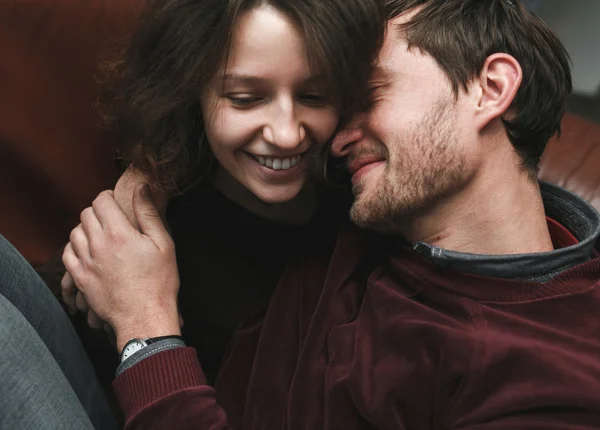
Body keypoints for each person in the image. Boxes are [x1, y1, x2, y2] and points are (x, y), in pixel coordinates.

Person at [63, 0, 600, 428]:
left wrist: (144, 328)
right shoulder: (380, 203)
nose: (334, 137)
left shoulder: (548, 384)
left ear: (491, 89)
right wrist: (140, 195)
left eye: (368, 94)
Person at [0, 0, 383, 428]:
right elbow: (60, 305)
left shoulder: (367, 208)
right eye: (245, 99)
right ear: (192, 88)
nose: (286, 132)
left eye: (314, 96)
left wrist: (143, 320)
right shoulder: (174, 187)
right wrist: (98, 275)